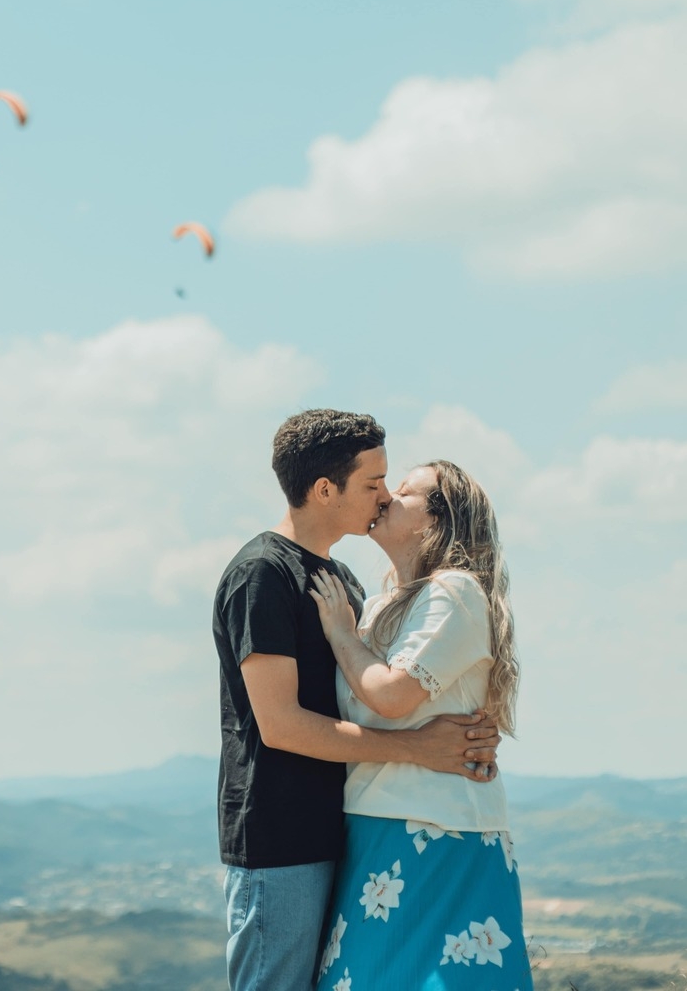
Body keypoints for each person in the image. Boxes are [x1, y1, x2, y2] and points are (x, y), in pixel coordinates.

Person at [213, 409, 502, 991]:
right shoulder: (262, 574)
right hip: (280, 839)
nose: (384, 495)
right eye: (373, 483)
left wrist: (467, 726)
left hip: (345, 830)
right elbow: (282, 726)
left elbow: (374, 689)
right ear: (325, 490)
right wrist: (417, 749)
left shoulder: (345, 582)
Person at [308, 460, 530, 989]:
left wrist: (341, 635)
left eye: (404, 491)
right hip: (371, 828)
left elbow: (390, 695)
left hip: (440, 831)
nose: (384, 495)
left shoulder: (454, 591)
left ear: (437, 520)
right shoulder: (380, 604)